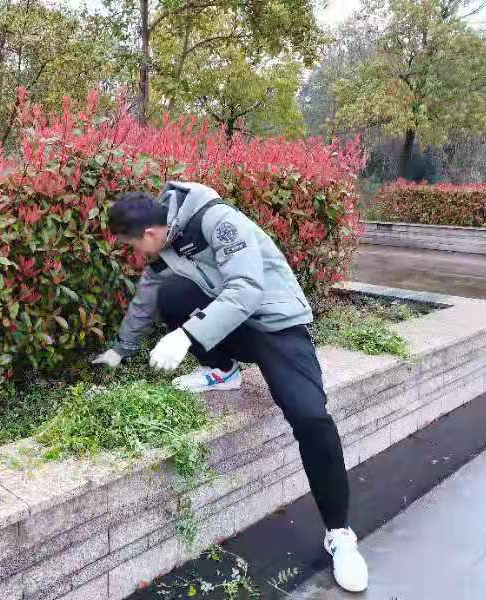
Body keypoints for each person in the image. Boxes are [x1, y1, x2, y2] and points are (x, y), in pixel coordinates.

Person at [92, 182, 369, 593]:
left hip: (275, 323)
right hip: (232, 324)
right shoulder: (166, 244)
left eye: (133, 245)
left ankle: (340, 534)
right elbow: (148, 294)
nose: (136, 254)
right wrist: (120, 350)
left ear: (149, 233)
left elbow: (247, 289)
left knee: (310, 417)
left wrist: (186, 336)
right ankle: (224, 371)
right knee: (170, 293)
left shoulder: (216, 220)